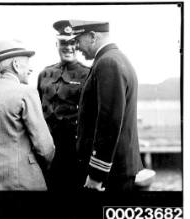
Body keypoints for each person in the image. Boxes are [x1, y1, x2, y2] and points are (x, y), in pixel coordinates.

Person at [53, 20, 143, 192]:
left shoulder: (107, 63)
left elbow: (109, 122)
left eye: (77, 40)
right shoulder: (115, 59)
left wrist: (97, 174)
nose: (76, 47)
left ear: (93, 36)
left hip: (111, 174)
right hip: (117, 169)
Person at [0, 39, 55, 190]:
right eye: (27, 63)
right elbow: (45, 147)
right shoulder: (26, 92)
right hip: (23, 182)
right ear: (16, 65)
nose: (30, 69)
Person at [37, 24, 90, 191]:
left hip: (75, 150)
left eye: (73, 43)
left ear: (78, 45)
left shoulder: (88, 74)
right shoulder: (45, 74)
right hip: (48, 148)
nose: (69, 48)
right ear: (57, 45)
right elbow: (37, 112)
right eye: (64, 44)